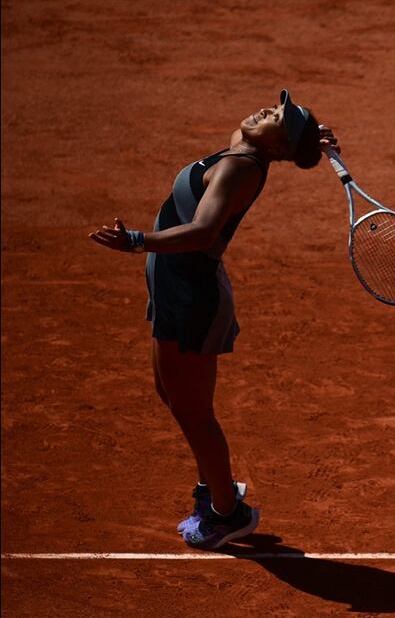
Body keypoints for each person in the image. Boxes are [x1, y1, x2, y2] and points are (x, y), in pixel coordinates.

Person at [89, 89, 340, 550]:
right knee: (170, 393)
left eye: (276, 118)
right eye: (275, 107)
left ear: (275, 146)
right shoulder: (245, 147)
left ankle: (228, 512)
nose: (265, 110)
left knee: (194, 413)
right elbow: (279, 145)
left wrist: (137, 242)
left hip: (192, 298)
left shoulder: (237, 168)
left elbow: (204, 230)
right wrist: (309, 141)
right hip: (175, 288)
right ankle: (217, 489)